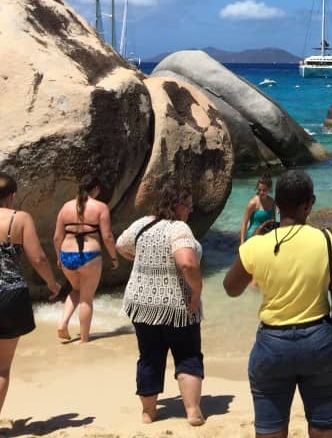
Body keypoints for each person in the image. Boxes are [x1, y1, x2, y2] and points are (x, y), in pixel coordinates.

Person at [223, 170, 332, 438]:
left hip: (272, 343)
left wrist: (255, 243)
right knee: (324, 426)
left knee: (270, 428)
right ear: (309, 204)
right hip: (319, 341)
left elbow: (230, 288)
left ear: (276, 205)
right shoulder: (330, 239)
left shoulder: (257, 246)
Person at [116, 184, 205, 426]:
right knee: (187, 355)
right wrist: (196, 292)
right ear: (177, 205)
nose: (190, 210)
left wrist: (142, 258)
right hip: (177, 306)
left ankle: (148, 414)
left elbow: (121, 246)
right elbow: (187, 263)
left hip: (142, 303)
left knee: (149, 356)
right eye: (188, 205)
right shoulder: (178, 228)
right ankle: (193, 412)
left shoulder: (142, 224)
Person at [0, 172, 61, 420]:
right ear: (12, 195)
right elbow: (38, 258)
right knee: (2, 367)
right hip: (11, 294)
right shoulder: (20, 218)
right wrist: (52, 284)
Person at [52, 176, 119, 342]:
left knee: (76, 289)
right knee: (86, 298)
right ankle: (84, 339)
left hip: (67, 254)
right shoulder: (100, 207)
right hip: (90, 256)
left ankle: (63, 323)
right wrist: (114, 258)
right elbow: (108, 237)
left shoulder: (65, 207)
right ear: (95, 189)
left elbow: (56, 238)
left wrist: (59, 257)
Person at [240, 174, 277, 242]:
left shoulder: (272, 202)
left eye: (264, 190)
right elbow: (244, 223)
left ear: (269, 189)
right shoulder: (253, 203)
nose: (261, 192)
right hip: (253, 237)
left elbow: (273, 222)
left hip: (267, 237)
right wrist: (242, 243)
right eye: (259, 190)